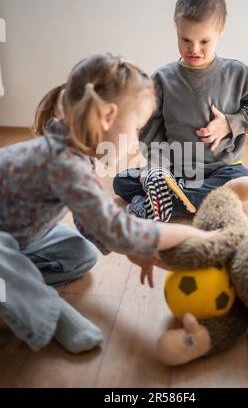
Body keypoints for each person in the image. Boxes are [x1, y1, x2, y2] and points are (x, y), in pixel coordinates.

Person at [0, 53, 216, 354]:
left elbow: (93, 220)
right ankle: (45, 309)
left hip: (16, 237)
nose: (134, 141)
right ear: (108, 117)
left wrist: (133, 250)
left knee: (80, 252)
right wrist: (196, 234)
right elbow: (118, 228)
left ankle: (19, 286)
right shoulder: (64, 163)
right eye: (136, 128)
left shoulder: (74, 154)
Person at [113, 0, 248, 218]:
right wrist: (157, 166)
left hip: (221, 169)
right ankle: (190, 199)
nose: (194, 49)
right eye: (186, 39)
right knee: (122, 182)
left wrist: (231, 123)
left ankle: (154, 204)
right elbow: (151, 129)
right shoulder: (162, 79)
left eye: (204, 41)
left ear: (221, 30)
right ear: (176, 30)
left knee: (242, 180)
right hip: (175, 169)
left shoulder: (238, 74)